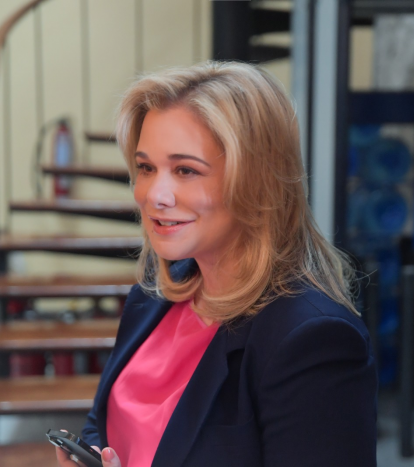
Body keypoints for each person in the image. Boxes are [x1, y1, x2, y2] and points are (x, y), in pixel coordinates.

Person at [55, 61, 377, 467]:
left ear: (256, 181)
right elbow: (101, 424)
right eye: (146, 167)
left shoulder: (313, 340)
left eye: (186, 170)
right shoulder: (153, 295)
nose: (154, 195)